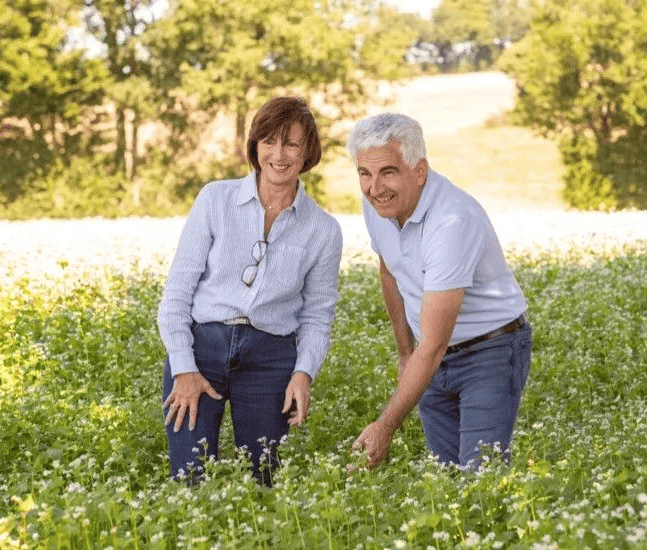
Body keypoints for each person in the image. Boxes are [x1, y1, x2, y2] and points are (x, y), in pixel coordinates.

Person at [157, 96, 342, 485]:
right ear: (255, 146)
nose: (279, 154)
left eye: (292, 144)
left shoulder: (323, 229)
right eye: (269, 141)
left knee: (264, 480)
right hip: (201, 349)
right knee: (191, 477)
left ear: (308, 151)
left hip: (270, 360)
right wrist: (183, 367)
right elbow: (177, 293)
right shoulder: (215, 199)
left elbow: (317, 314)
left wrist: (303, 372)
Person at [347, 112, 532, 470]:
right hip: (432, 354)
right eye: (364, 174)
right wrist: (405, 353)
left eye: (388, 172)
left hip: (490, 350)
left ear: (419, 171)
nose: (374, 188)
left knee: (481, 477)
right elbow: (389, 269)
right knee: (445, 478)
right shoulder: (378, 205)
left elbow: (432, 343)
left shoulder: (451, 222)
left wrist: (385, 426)